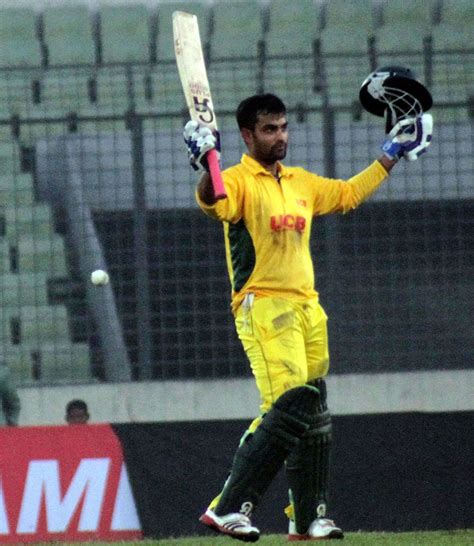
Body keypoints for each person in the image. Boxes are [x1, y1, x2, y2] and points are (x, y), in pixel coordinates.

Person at [183, 93, 432, 542]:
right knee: (287, 404)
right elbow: (212, 202)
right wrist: (206, 163)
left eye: (283, 127)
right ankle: (227, 507)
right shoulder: (237, 179)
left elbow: (347, 195)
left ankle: (307, 517)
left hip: (307, 308)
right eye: (269, 129)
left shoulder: (299, 181)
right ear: (247, 135)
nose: (280, 137)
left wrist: (391, 152)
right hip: (264, 306)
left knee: (311, 408)